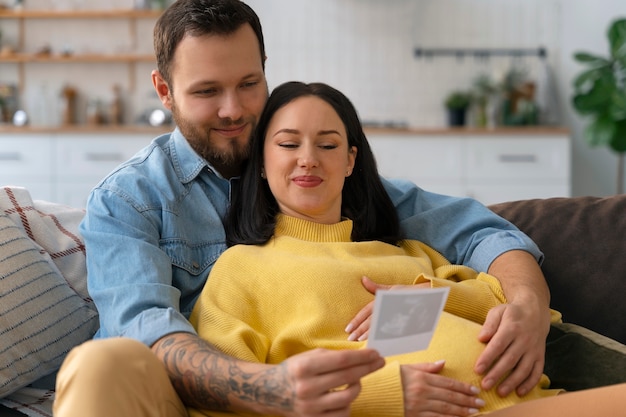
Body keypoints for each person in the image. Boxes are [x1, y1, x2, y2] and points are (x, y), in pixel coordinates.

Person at [53, 1, 552, 416]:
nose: (233, 110)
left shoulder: (311, 176)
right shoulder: (130, 199)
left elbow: (479, 232)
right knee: (101, 362)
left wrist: (527, 306)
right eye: (207, 91)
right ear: (164, 90)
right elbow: (148, 333)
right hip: (183, 394)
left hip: (337, 392)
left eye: (249, 84)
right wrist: (273, 387)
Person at [188, 80, 625, 417]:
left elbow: (510, 304)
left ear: (350, 161)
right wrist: (381, 396)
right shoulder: (240, 270)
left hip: (531, 401)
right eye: (288, 144)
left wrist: (428, 299)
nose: (308, 158)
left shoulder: (405, 251)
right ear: (262, 163)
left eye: (327, 144)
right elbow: (228, 398)